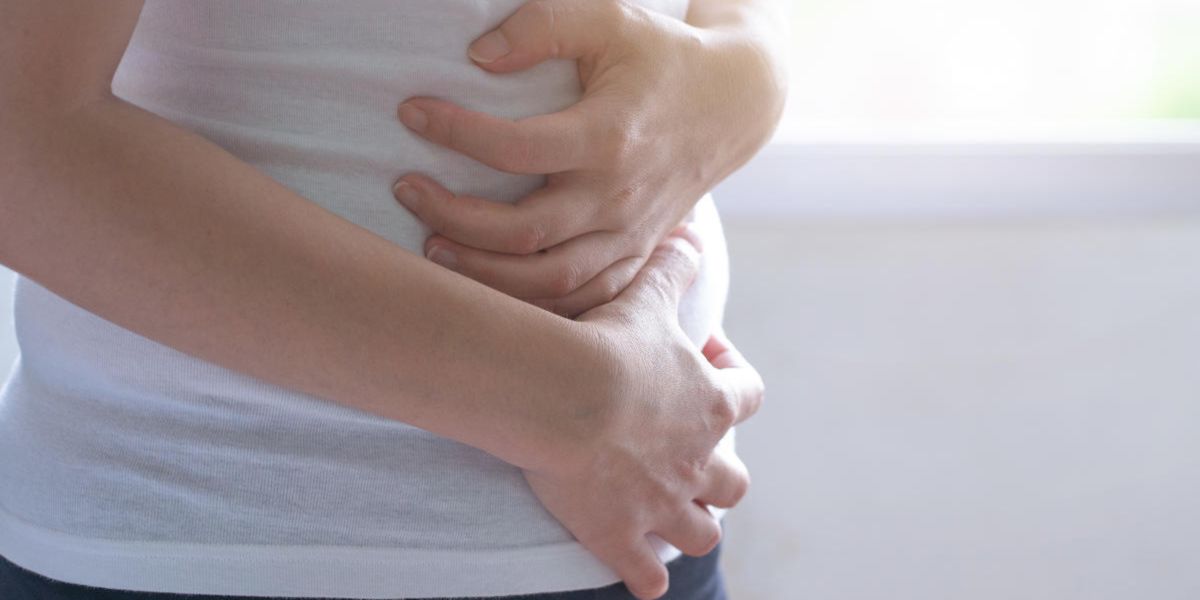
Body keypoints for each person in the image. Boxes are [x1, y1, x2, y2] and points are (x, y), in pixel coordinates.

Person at [0, 1, 787, 599]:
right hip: (210, 554)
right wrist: (573, 402)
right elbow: (21, 143)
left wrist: (747, 73)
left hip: (642, 508)